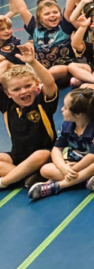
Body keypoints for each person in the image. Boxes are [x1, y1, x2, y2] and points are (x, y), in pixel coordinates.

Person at [27, 89, 94, 200]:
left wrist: (75, 168)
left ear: (78, 114)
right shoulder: (67, 126)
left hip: (87, 164)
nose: (62, 109)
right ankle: (85, 178)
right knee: (45, 169)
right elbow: (56, 149)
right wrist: (64, 168)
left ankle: (58, 186)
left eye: (65, 108)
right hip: (70, 163)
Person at [0, 45, 59, 189]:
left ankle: (5, 182)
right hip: (18, 156)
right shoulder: (7, 105)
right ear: (8, 93)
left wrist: (32, 63)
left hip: (45, 155)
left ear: (37, 85)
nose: (23, 92)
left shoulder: (42, 102)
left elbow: (50, 82)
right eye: (16, 89)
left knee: (40, 155)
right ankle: (27, 177)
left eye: (27, 86)